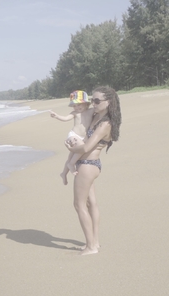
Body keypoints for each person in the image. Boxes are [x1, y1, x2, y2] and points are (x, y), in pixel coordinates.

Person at [65, 86, 121, 255]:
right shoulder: (97, 117)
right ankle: (94, 242)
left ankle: (91, 247)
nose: (93, 103)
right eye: (92, 100)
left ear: (108, 102)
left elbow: (87, 146)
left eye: (97, 101)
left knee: (79, 204)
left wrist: (70, 148)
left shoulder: (105, 123)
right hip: (89, 164)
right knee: (91, 204)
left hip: (88, 165)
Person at [49, 90, 94, 185]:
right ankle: (71, 164)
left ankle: (64, 173)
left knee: (71, 156)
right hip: (73, 135)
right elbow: (65, 118)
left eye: (79, 104)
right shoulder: (74, 113)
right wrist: (56, 116)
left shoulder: (91, 111)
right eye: (74, 105)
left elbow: (99, 109)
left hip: (83, 137)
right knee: (81, 147)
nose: (77, 107)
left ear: (86, 104)